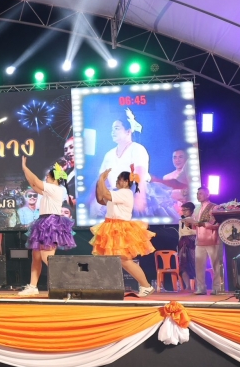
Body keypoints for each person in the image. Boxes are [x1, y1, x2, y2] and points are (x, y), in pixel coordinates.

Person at [90, 167, 155, 296]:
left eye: (119, 179)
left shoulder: (125, 193)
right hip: (111, 227)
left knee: (125, 260)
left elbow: (105, 194)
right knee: (115, 260)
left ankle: (146, 286)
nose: (116, 181)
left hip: (119, 228)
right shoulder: (118, 193)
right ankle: (108, 287)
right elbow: (100, 198)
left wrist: (102, 179)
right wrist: (100, 181)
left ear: (125, 182)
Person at [18, 158, 76, 296]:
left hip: (50, 223)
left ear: (54, 178)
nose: (46, 178)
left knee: (47, 258)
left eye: (48, 177)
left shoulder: (54, 188)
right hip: (44, 221)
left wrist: (25, 167)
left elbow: (36, 181)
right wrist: (25, 171)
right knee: (36, 257)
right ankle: (33, 286)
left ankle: (66, 284)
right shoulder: (50, 190)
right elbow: (33, 184)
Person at [97, 109, 149, 214]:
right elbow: (102, 179)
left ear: (128, 131)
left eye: (117, 128)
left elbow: (140, 173)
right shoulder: (109, 154)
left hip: (134, 194)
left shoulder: (137, 148)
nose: (113, 132)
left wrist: (139, 196)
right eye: (112, 129)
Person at [184, 186, 223, 295]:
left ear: (207, 194)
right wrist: (189, 223)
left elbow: (217, 224)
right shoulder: (197, 209)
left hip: (212, 240)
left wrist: (201, 223)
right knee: (199, 266)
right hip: (200, 241)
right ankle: (201, 288)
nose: (198, 195)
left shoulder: (214, 207)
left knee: (216, 265)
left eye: (200, 193)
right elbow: (195, 225)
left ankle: (217, 288)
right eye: (197, 194)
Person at [177, 201, 197, 292]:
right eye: (183, 210)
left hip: (192, 243)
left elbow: (198, 232)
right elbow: (180, 234)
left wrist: (190, 229)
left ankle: (198, 286)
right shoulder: (181, 221)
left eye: (186, 210)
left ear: (191, 210)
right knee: (183, 265)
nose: (184, 212)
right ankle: (187, 286)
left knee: (194, 264)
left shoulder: (195, 220)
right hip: (183, 243)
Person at [62, 136, 76, 207]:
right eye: (65, 150)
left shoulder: (88, 171)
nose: (68, 151)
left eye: (71, 147)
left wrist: (75, 201)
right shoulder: (66, 172)